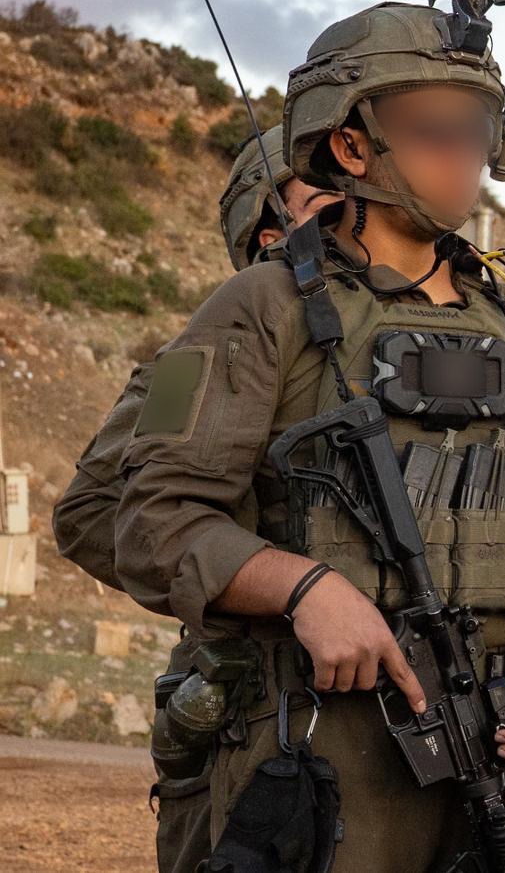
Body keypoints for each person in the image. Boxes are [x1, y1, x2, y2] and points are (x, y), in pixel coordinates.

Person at [108, 1, 505, 872]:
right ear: (351, 146)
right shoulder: (260, 307)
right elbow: (151, 520)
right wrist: (303, 588)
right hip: (324, 753)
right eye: (435, 132)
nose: (466, 159)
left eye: (479, 133)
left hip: (498, 749)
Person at [52, 124, 338, 873]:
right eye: (327, 203)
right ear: (271, 236)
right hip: (252, 697)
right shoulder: (196, 365)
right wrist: (245, 574)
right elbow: (89, 515)